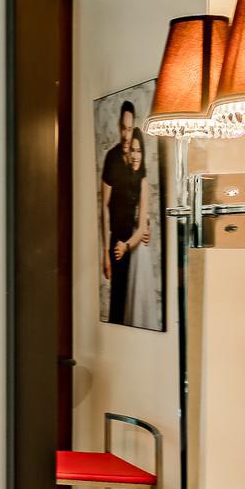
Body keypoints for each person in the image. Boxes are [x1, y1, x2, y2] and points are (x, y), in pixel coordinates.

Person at [98, 104, 151, 324]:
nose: (125, 134)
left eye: (129, 129)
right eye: (123, 128)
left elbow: (142, 199)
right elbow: (104, 206)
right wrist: (105, 252)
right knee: (118, 303)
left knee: (134, 302)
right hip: (116, 238)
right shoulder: (112, 158)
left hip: (133, 238)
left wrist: (145, 225)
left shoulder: (137, 160)